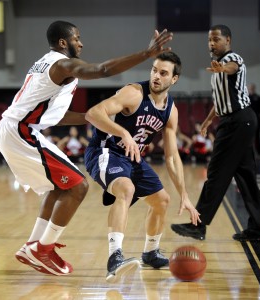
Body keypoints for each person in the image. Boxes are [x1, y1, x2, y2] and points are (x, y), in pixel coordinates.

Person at [0, 20, 173, 276]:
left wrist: (91, 115)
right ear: (63, 42)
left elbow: (56, 115)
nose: (81, 43)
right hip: (19, 131)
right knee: (78, 186)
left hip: (19, 128)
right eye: (77, 38)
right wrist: (146, 54)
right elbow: (101, 70)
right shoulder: (62, 63)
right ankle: (42, 249)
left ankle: (34, 245)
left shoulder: (44, 63)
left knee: (60, 186)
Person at [84, 51, 200, 283]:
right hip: (105, 151)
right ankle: (114, 257)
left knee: (162, 200)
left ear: (174, 79)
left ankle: (150, 253)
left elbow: (171, 157)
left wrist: (185, 195)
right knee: (126, 189)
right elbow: (93, 113)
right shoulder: (134, 93)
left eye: (163, 73)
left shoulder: (171, 111)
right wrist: (123, 132)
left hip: (132, 157)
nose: (156, 76)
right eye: (154, 70)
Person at [171, 24, 260, 242]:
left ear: (228, 41)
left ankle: (199, 225)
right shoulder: (215, 69)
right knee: (245, 176)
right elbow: (219, 102)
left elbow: (233, 67)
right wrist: (207, 122)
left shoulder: (231, 59)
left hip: (238, 121)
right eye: (209, 39)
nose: (211, 43)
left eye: (216, 39)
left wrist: (223, 69)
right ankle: (258, 226)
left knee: (216, 172)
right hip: (235, 121)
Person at [247, 83, 260, 155]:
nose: (251, 89)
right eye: (250, 88)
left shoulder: (258, 98)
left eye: (252, 88)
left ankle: (259, 152)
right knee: (249, 137)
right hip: (249, 121)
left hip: (257, 121)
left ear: (254, 88)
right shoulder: (246, 98)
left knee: (257, 137)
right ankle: (249, 153)